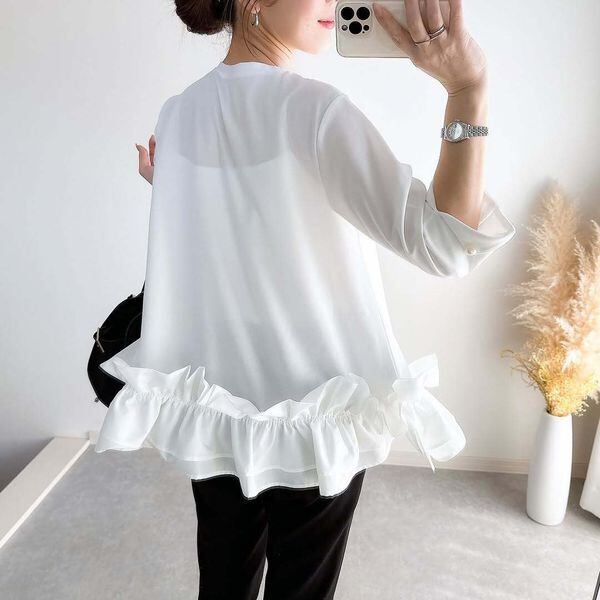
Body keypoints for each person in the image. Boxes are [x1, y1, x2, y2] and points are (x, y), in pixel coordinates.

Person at [95, 0, 516, 598]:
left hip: (216, 409)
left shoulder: (179, 112)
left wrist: (179, 188)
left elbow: (235, 243)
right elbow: (445, 245)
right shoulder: (317, 112)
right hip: (315, 416)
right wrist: (467, 91)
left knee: (223, 582)